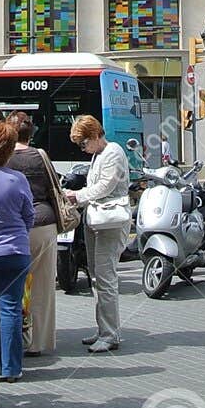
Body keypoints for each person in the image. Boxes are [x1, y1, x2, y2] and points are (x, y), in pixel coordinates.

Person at [63, 115, 127, 354]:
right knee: (95, 276)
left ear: (94, 135)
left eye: (83, 143)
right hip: (97, 220)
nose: (83, 149)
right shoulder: (99, 154)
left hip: (109, 222)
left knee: (105, 276)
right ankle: (104, 329)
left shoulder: (113, 152)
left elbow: (105, 186)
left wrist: (76, 196)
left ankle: (110, 334)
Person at [0, 121, 35, 383]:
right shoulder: (18, 179)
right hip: (15, 250)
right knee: (11, 308)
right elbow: (29, 216)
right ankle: (12, 368)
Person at [8, 111, 61, 358]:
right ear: (31, 133)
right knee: (43, 285)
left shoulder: (2, 157)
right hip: (43, 224)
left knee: (10, 286)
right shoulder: (40, 155)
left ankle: (10, 340)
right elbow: (55, 188)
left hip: (11, 228)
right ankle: (38, 342)